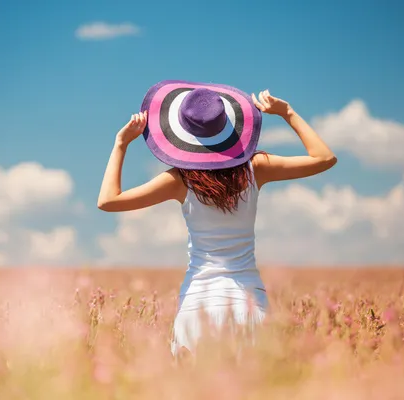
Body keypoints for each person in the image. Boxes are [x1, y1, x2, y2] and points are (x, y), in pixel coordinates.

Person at [97, 80, 337, 358]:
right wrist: (287, 113)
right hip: (249, 303)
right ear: (227, 127)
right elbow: (324, 158)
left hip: (197, 304)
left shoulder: (180, 180)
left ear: (183, 135)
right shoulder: (255, 169)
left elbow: (108, 201)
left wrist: (121, 144)